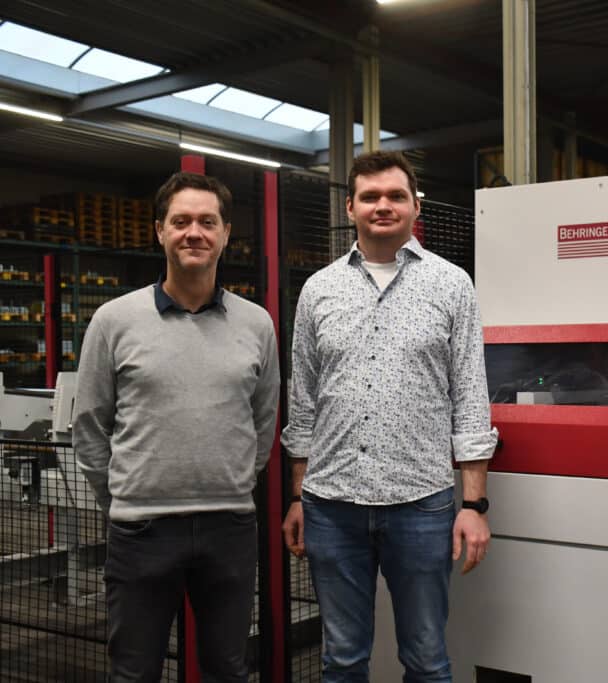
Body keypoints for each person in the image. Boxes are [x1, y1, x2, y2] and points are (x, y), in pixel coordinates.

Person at [281, 150, 497, 682]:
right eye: (370, 196)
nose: (383, 205)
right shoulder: (319, 289)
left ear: (415, 206)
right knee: (341, 659)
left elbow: (471, 397)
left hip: (420, 503)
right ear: (350, 207)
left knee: (426, 659)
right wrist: (298, 497)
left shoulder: (452, 285)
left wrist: (474, 504)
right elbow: (302, 401)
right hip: (331, 505)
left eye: (396, 195)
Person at [73, 171, 281, 683]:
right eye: (181, 221)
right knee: (134, 672)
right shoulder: (114, 320)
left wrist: (233, 480)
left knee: (228, 669)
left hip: (229, 527)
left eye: (207, 222)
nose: (194, 233)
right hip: (141, 530)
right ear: (160, 231)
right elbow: (90, 423)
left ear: (226, 234)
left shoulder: (257, 324)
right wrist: (123, 497)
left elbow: (264, 419)